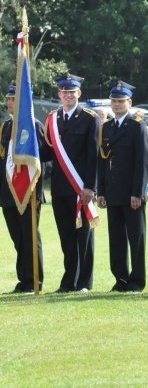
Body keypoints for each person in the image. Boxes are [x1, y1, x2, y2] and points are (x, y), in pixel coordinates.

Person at [43, 74, 100, 293]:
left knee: (83, 236)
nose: (67, 95)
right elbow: (49, 152)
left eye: (71, 91)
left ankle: (84, 282)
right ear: (59, 94)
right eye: (64, 92)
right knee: (66, 236)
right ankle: (69, 281)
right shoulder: (52, 119)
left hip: (80, 188)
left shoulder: (89, 118)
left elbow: (93, 155)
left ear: (79, 93)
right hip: (59, 188)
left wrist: (90, 186)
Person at [96, 81, 148, 292]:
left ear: (130, 102)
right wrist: (101, 192)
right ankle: (121, 279)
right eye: (114, 101)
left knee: (136, 239)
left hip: (132, 194)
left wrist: (137, 192)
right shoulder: (106, 127)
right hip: (112, 192)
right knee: (116, 239)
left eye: (121, 101)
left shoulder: (137, 125)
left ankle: (137, 281)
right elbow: (103, 161)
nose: (117, 105)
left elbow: (143, 163)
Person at [1, 81, 49, 293]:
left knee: (30, 236)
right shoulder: (5, 127)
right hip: (8, 192)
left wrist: (36, 191)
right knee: (17, 238)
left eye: (13, 99)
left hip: (29, 191)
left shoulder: (34, 125)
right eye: (9, 99)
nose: (10, 103)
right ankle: (24, 279)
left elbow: (42, 161)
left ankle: (34, 280)